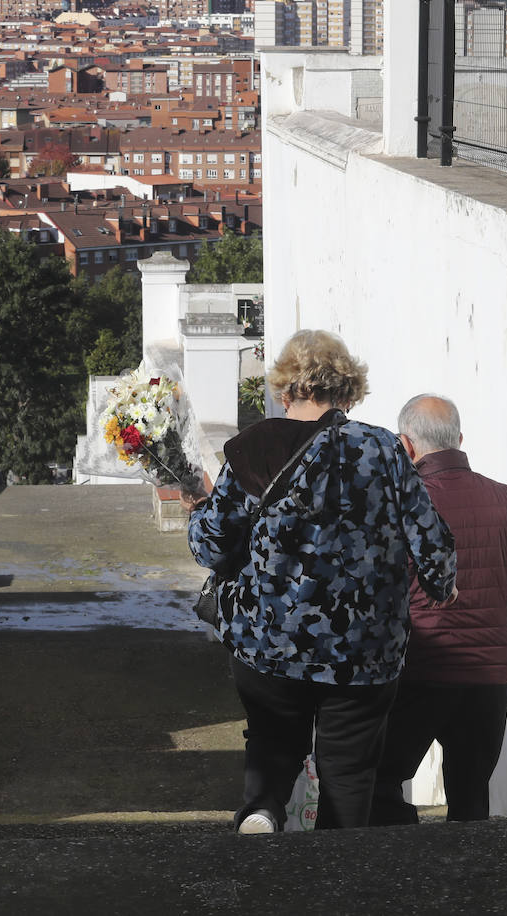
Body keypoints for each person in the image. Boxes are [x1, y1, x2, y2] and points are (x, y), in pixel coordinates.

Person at [186, 330, 457, 834]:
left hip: (269, 644)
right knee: (348, 773)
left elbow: (210, 546)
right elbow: (432, 542)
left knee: (270, 748)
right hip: (365, 653)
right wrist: (443, 586)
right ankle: (337, 880)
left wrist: (198, 513)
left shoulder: (252, 448)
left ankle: (263, 815)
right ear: (347, 392)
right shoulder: (383, 449)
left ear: (285, 390)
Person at [370, 394, 507, 826]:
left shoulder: (403, 501)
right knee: (470, 795)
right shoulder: (503, 499)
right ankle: (470, 885)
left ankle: (405, 867)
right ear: (459, 439)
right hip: (488, 679)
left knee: (378, 780)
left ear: (405, 445)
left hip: (420, 671)